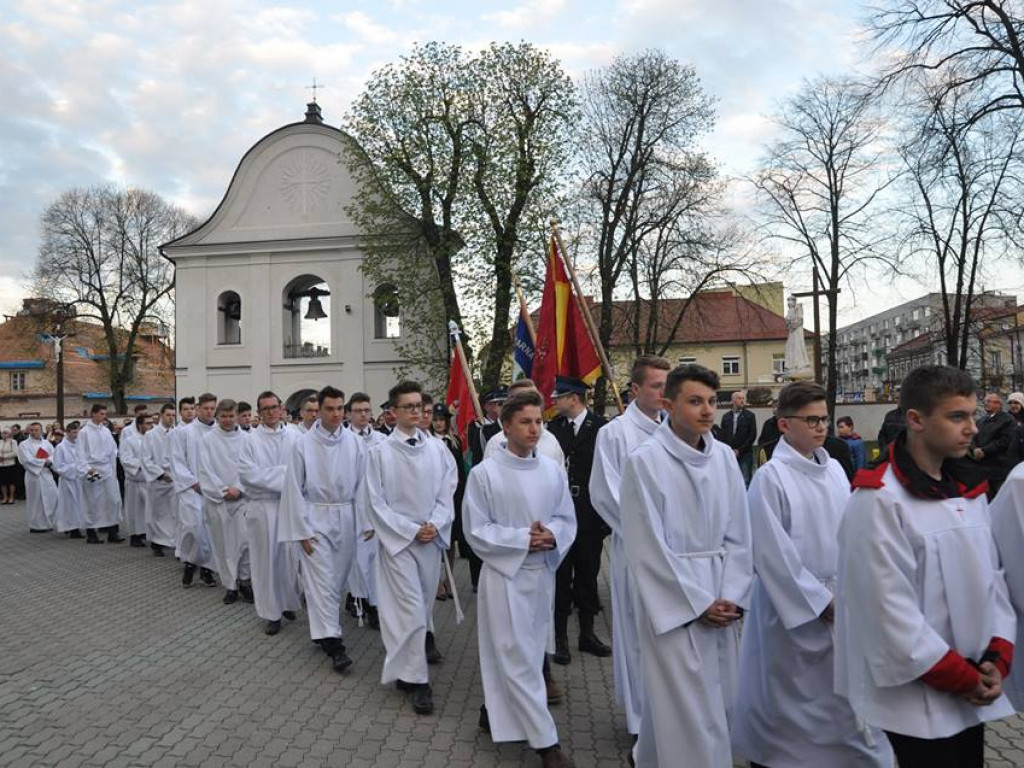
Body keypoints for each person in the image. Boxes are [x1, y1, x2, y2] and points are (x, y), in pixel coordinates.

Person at [835, 365, 1015, 768]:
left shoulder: (968, 491)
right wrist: (962, 676)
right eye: (957, 416)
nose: (972, 427)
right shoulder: (880, 500)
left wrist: (997, 655)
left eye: (973, 415)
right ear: (915, 419)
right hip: (919, 694)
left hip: (975, 681)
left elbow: (994, 581)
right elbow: (885, 610)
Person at [731, 382, 891, 767]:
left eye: (824, 419)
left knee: (842, 700)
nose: (821, 427)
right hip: (796, 607)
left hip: (841, 596)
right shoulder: (772, 477)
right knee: (795, 700)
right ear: (784, 425)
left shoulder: (834, 468)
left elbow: (851, 530)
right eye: (812, 420)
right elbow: (771, 552)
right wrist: (818, 601)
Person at [619, 363, 752, 768]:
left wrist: (731, 594)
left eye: (713, 401)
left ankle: (647, 758)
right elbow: (646, 547)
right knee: (690, 708)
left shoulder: (724, 458)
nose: (708, 410)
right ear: (667, 403)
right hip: (676, 600)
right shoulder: (645, 461)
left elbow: (739, 533)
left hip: (720, 591)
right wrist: (697, 603)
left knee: (719, 699)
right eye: (695, 401)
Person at [464, 389, 577, 768]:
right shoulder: (485, 473)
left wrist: (554, 535)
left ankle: (492, 712)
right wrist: (522, 539)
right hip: (504, 576)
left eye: (538, 422)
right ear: (506, 426)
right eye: (525, 422)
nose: (534, 429)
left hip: (542, 574)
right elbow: (476, 530)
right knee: (518, 658)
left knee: (526, 653)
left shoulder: (549, 469)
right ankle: (547, 744)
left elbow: (565, 516)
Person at [364, 380, 457, 715]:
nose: (417, 412)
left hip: (430, 541)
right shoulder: (379, 453)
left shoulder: (437, 448)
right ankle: (419, 682)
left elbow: (448, 489)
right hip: (400, 545)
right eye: (409, 407)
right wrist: (410, 530)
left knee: (422, 611)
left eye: (420, 406)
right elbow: (375, 504)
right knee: (412, 612)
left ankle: (405, 670)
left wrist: (436, 522)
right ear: (393, 411)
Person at [590, 354, 670, 738]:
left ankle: (671, 712)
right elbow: (606, 493)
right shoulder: (615, 433)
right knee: (639, 635)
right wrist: (651, 533)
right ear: (635, 389)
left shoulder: (676, 430)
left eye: (668, 386)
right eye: (656, 386)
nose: (664, 393)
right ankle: (641, 720)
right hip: (637, 550)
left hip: (677, 554)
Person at [278, 385, 365, 674]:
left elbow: (364, 486)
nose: (336, 414)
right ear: (319, 410)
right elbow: (293, 489)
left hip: (346, 515)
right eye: (330, 408)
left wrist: (365, 522)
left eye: (341, 408)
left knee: (336, 582)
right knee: (322, 582)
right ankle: (335, 645)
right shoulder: (302, 444)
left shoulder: (354, 442)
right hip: (315, 517)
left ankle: (323, 632)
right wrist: (300, 530)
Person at [547, 376, 610, 665]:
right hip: (560, 513)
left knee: (587, 576)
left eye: (558, 397)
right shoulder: (552, 428)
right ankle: (559, 638)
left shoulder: (601, 428)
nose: (554, 402)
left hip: (588, 514)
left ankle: (587, 633)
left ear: (574, 398)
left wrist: (605, 518)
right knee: (561, 578)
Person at [239, 391, 302, 635]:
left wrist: (277, 474)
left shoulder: (296, 436)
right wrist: (287, 475)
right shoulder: (250, 440)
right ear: (259, 413)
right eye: (265, 409)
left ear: (282, 408)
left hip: (289, 506)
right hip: (262, 507)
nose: (271, 412)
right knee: (265, 562)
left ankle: (287, 603)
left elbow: (303, 468)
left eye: (274, 407)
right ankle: (270, 613)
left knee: (288, 560)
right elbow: (248, 475)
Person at [198, 399, 251, 605]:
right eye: (224, 416)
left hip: (241, 498)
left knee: (244, 542)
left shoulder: (247, 439)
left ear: (237, 415)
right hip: (218, 500)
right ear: (217, 417)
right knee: (223, 545)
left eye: (231, 416)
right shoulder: (207, 440)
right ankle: (230, 586)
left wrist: (239, 487)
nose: (228, 420)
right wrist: (222, 490)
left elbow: (250, 467)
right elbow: (205, 469)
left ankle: (245, 581)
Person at [347, 391, 387, 629]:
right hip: (351, 507)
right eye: (358, 411)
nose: (363, 415)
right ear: (349, 414)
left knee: (373, 560)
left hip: (375, 507)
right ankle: (355, 597)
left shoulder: (382, 440)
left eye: (366, 411)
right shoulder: (343, 439)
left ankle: (373, 605)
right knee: (354, 559)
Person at [170, 395, 217, 588]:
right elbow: (177, 460)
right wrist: (192, 482)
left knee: (211, 532)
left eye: (212, 408)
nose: (209, 412)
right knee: (195, 528)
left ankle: (201, 568)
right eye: (205, 408)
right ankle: (192, 562)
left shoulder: (218, 431)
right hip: (191, 489)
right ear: (198, 408)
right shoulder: (183, 432)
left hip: (213, 490)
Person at [483, 380, 565, 467]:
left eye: (533, 398)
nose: (529, 402)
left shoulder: (551, 441)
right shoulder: (495, 443)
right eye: (523, 399)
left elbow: (561, 478)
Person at [430, 402, 466, 601]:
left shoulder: (455, 442)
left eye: (441, 420)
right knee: (437, 541)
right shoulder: (426, 442)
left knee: (451, 540)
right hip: (435, 497)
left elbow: (459, 472)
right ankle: (436, 583)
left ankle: (449, 579)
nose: (438, 424)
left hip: (453, 497)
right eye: (435, 420)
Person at [78, 404, 124, 544]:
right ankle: (91, 532)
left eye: (105, 414)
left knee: (112, 500)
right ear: (93, 414)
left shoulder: (105, 431)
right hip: (93, 469)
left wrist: (113, 467)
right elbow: (80, 454)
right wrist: (87, 469)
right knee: (93, 502)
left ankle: (112, 531)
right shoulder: (84, 432)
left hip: (108, 469)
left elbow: (113, 449)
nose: (104, 417)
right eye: (102, 414)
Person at [142, 403, 177, 557]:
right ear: (161, 415)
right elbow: (145, 459)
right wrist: (161, 474)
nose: (171, 418)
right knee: (158, 512)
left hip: (174, 478)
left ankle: (172, 540)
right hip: (158, 479)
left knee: (173, 512)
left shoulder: (177, 433)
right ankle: (157, 542)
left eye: (173, 415)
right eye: (168, 415)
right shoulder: (151, 435)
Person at [969, 392, 1017, 496]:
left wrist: (984, 450)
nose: (985, 404)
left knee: (1000, 496)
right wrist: (975, 449)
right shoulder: (981, 420)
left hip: (998, 467)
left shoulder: (1007, 420)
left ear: (998, 404)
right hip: (982, 467)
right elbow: (973, 437)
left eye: (989, 401)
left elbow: (1005, 440)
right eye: (985, 401)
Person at [18, 422, 58, 533]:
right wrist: (43, 462)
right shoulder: (23, 445)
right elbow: (26, 460)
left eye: (36, 430)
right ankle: (36, 525)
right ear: (28, 431)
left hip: (46, 475)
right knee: (36, 501)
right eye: (32, 430)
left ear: (41, 431)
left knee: (53, 497)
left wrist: (49, 462)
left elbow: (54, 456)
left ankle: (49, 522)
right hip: (34, 476)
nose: (34, 432)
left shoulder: (47, 443)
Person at [119, 413, 152, 547]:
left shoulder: (154, 439)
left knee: (148, 510)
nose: (151, 426)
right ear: (140, 425)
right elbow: (125, 459)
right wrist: (143, 464)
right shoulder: (129, 441)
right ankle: (134, 535)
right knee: (134, 509)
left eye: (152, 423)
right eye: (147, 423)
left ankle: (146, 532)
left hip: (150, 481)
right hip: (135, 479)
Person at [51, 421, 84, 538]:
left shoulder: (81, 445)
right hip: (68, 481)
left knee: (79, 504)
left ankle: (77, 525)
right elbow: (57, 466)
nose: (77, 434)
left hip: (80, 480)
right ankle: (72, 528)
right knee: (69, 506)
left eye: (78, 432)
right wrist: (75, 468)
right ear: (67, 433)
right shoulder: (61, 447)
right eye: (74, 432)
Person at [720, 391, 758, 486]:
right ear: (733, 400)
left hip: (745, 454)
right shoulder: (726, 417)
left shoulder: (750, 416)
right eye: (739, 398)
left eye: (743, 398)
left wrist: (739, 450)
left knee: (745, 480)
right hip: (729, 453)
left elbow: (752, 435)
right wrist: (729, 450)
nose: (742, 401)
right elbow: (722, 435)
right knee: (730, 480)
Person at [468, 388, 507, 466]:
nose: (505, 407)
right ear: (486, 407)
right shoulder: (481, 430)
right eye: (500, 404)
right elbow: (477, 459)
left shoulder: (517, 428)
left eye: (507, 403)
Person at [0, 428, 18, 505]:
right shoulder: (0, 441)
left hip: (10, 464)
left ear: (9, 434)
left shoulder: (13, 442)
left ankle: (11, 497)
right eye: (3, 433)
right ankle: (5, 497)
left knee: (11, 482)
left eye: (5, 433)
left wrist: (4, 456)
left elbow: (15, 453)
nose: (4, 434)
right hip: (1, 465)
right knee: (2, 482)